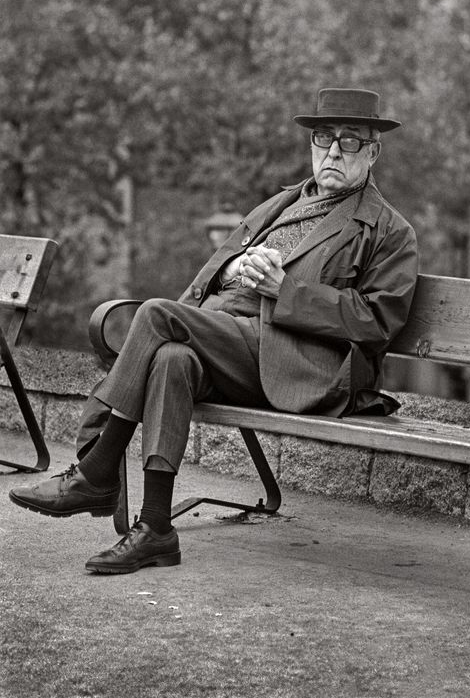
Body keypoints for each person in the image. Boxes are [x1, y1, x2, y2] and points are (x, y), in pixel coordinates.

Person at [9, 88, 418, 574]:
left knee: (159, 315)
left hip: (302, 364)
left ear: (373, 152)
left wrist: (283, 290)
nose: (332, 151)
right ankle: (156, 529)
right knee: (170, 359)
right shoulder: (282, 203)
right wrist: (232, 273)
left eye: (349, 142)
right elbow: (210, 275)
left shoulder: (389, 230)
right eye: (323, 137)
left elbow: (377, 322)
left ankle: (96, 467)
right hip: (233, 344)